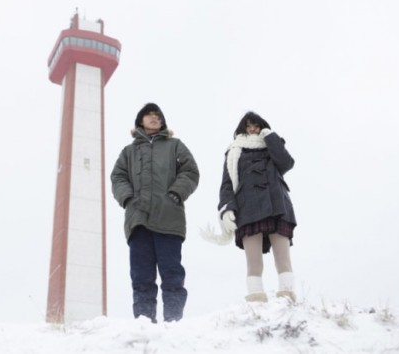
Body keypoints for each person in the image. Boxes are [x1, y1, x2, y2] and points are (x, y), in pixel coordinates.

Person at [111, 103, 199, 322]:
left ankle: (173, 322)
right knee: (141, 278)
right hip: (138, 221)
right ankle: (144, 324)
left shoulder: (175, 146)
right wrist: (128, 199)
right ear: (140, 121)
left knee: (172, 275)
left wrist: (175, 195)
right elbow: (118, 177)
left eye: (157, 116)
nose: (153, 118)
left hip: (169, 220)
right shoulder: (128, 152)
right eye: (149, 115)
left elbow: (190, 171)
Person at [202, 111, 297, 303]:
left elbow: (286, 163)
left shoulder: (272, 144)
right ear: (242, 129)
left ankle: (287, 297)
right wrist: (227, 208)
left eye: (256, 125)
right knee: (253, 261)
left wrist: (270, 136)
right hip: (248, 207)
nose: (253, 129)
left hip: (277, 204)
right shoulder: (234, 151)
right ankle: (256, 299)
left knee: (283, 257)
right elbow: (227, 184)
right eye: (248, 126)